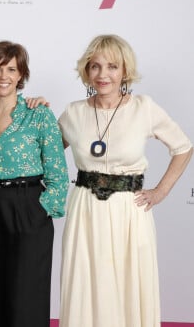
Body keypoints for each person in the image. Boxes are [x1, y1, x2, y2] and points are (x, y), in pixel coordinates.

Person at [58, 34, 193, 327]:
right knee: (86, 280)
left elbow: (183, 147)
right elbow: (46, 154)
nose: (103, 74)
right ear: (87, 71)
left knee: (127, 281)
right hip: (85, 209)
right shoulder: (74, 112)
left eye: (112, 67)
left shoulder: (143, 107)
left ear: (124, 71)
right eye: (95, 66)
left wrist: (161, 191)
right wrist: (33, 111)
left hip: (128, 211)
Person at [0, 41, 69, 327]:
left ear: (21, 75)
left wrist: (41, 210)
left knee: (27, 287)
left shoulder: (38, 114)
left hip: (28, 204)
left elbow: (58, 173)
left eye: (11, 69)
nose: (4, 76)